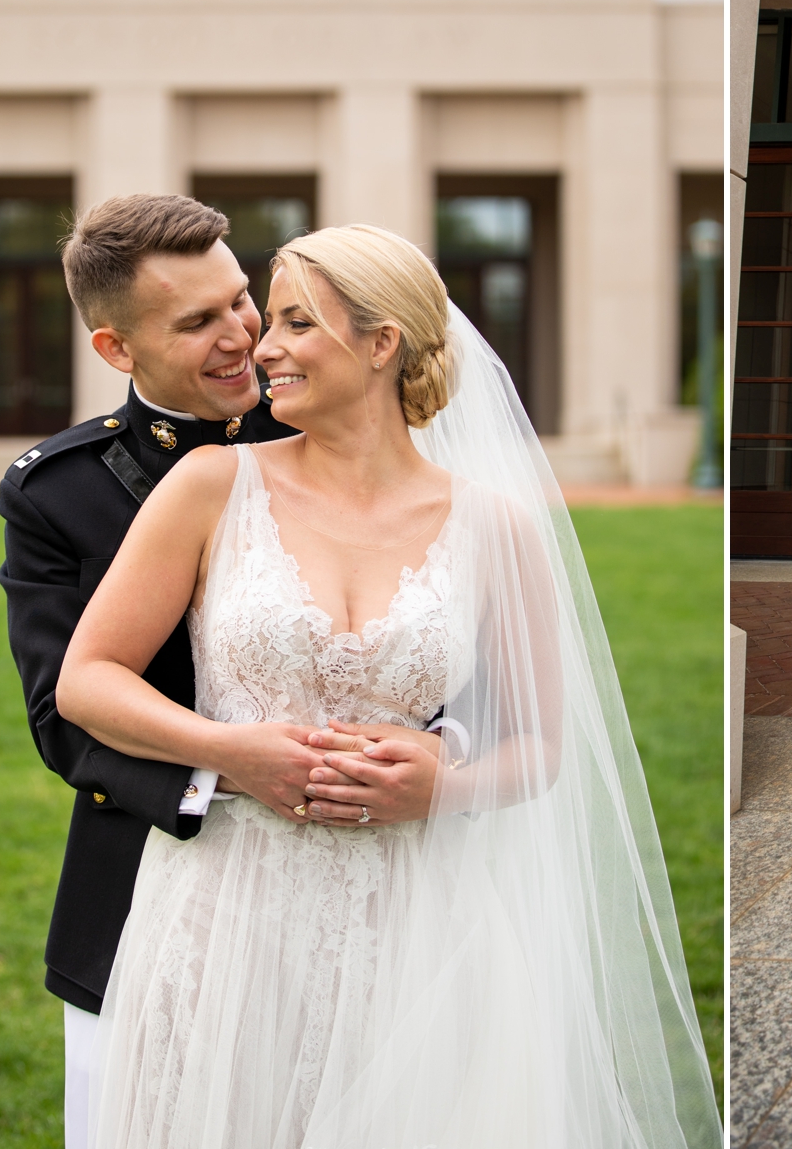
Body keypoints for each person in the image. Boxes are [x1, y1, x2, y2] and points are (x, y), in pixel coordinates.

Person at [54, 224, 716, 1148]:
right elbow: (86, 680)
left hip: (420, 917)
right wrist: (227, 750)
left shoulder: (499, 527)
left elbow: (542, 750)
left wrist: (445, 784)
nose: (261, 346)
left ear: (381, 342)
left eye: (293, 323)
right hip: (228, 908)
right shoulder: (213, 485)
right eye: (265, 320)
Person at [0, 195, 445, 1148]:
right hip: (156, 888)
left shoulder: (392, 460)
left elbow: (455, 667)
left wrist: (435, 767)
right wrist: (228, 766)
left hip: (384, 876)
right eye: (199, 322)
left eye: (243, 300)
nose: (246, 335)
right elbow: (63, 713)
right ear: (118, 350)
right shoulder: (61, 492)